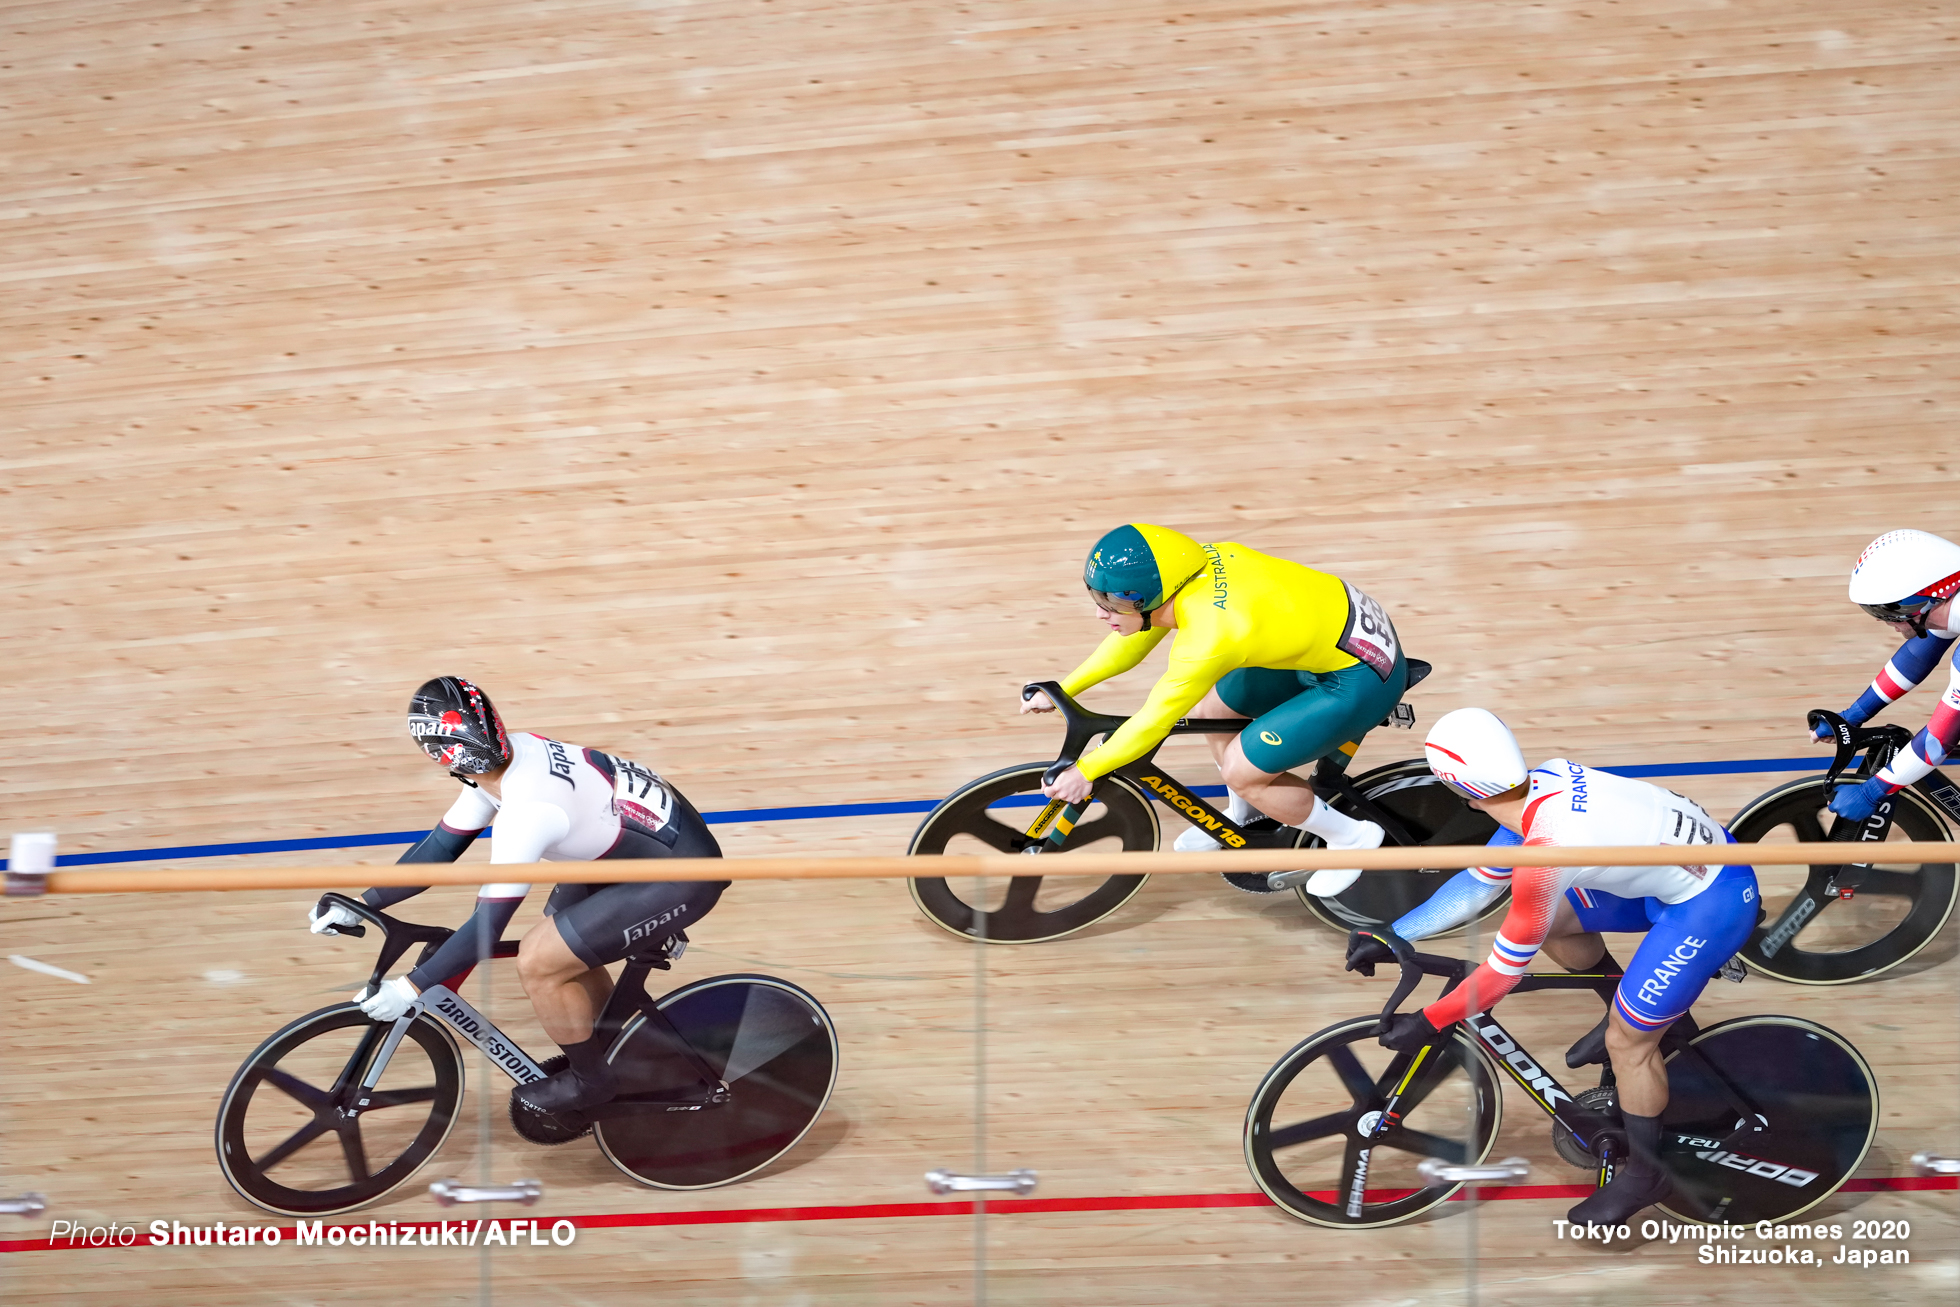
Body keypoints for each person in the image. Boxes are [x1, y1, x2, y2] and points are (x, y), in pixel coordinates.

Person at [1361, 707, 1759, 1227]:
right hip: (1672, 881)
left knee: (1627, 1044)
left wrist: (1433, 1019)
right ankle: (1640, 1008)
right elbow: (1479, 881)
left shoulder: (1546, 850)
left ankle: (1645, 1174)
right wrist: (1394, 935)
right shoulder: (1543, 785)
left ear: (1459, 790)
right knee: (1555, 923)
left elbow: (1503, 973)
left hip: (1711, 903)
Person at [307, 677, 729, 1128]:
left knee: (540, 961)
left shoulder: (526, 813)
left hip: (680, 874)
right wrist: (363, 902)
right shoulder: (514, 755)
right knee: (565, 935)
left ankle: (593, 1081)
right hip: (635, 845)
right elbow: (440, 849)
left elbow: (486, 929)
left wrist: (410, 987)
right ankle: (618, 1047)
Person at [1024, 523, 1406, 891]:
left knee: (1244, 771)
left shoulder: (1211, 635)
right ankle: (1246, 812)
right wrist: (1064, 689)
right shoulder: (1187, 573)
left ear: (1152, 597)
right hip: (1331, 644)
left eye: (1113, 602)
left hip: (1361, 678)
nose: (1100, 613)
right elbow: (1131, 640)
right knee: (1213, 711)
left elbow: (1157, 717)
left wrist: (1088, 769)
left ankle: (1351, 838)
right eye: (1097, 597)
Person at [1811, 529, 1960, 824]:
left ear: (1917, 603)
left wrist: (1872, 791)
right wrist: (1853, 714)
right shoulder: (1948, 603)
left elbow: (1937, 740)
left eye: (1886, 611)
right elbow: (1918, 655)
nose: (1882, 621)